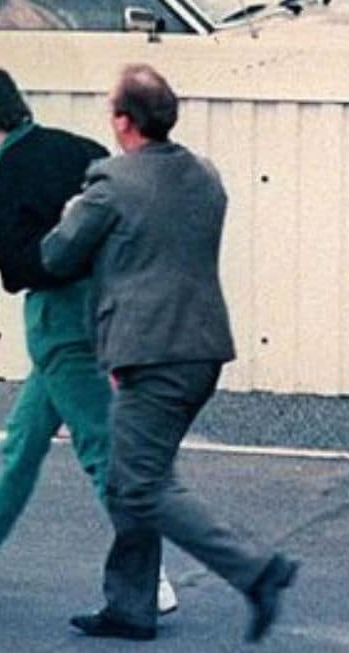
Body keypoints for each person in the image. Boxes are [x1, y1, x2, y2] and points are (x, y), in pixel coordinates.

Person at [40, 64, 298, 643]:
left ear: (123, 121)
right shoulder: (205, 175)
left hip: (151, 355)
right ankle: (130, 605)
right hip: (200, 347)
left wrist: (68, 217)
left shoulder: (109, 183)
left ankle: (257, 572)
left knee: (139, 484)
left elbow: (57, 256)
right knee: (137, 473)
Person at [0, 69, 176, 615]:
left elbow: (18, 271)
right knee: (23, 441)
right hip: (106, 306)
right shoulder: (81, 148)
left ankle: (149, 579)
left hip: (58, 321)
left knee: (100, 448)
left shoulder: (2, 184)